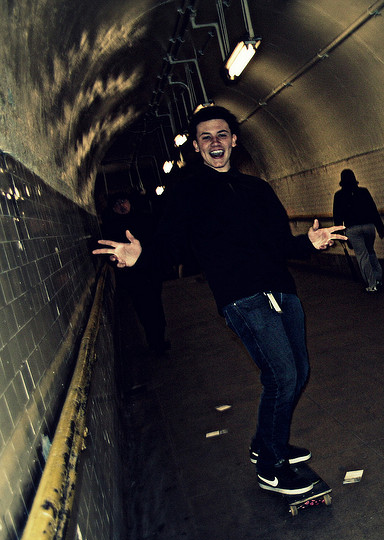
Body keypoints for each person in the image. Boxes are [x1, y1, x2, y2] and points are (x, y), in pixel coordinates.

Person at [94, 105, 346, 496]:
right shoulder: (187, 192)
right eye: (206, 137)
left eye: (222, 134)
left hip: (282, 291)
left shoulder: (257, 189)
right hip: (242, 298)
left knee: (299, 371)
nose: (216, 142)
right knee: (282, 376)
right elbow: (171, 245)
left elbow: (281, 243)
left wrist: (308, 243)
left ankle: (265, 442)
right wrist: (141, 257)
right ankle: (271, 467)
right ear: (196, 146)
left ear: (234, 140)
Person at [101, 191, 169, 354]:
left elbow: (157, 243)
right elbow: (109, 253)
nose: (121, 206)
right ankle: (155, 342)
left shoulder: (144, 219)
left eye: (123, 201)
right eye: (117, 204)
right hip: (133, 277)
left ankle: (158, 339)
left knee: (156, 306)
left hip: (151, 272)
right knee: (144, 309)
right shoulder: (111, 227)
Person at [332, 169, 384, 292]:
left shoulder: (339, 196)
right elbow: (373, 209)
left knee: (362, 256)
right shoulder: (363, 192)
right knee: (371, 252)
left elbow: (337, 216)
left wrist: (340, 234)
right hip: (368, 226)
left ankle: (372, 284)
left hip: (353, 229)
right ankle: (378, 278)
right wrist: (380, 227)